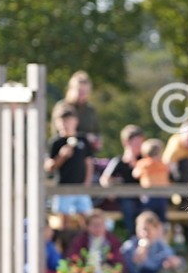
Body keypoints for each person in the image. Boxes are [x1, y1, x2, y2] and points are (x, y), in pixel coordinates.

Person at [46, 104, 95, 235]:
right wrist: (62, 156)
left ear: (75, 122)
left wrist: (87, 182)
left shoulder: (83, 140)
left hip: (81, 187)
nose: (65, 125)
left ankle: (86, 247)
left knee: (87, 220)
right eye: (62, 121)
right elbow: (50, 167)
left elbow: (89, 163)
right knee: (64, 222)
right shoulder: (56, 142)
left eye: (68, 121)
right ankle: (64, 247)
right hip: (63, 187)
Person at [99, 124, 146, 235]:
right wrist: (111, 189)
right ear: (126, 143)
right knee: (129, 206)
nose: (139, 147)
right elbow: (105, 179)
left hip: (142, 197)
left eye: (141, 143)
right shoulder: (119, 161)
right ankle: (133, 235)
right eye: (136, 143)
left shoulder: (144, 161)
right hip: (126, 198)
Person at [120, 211, 185, 273]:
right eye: (142, 229)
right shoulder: (130, 246)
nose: (145, 233)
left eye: (148, 230)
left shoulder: (159, 244)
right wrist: (138, 259)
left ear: (155, 230)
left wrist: (175, 262)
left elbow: (177, 262)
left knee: (171, 271)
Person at [52, 70, 102, 153]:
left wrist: (95, 140)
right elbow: (57, 133)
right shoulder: (63, 107)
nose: (82, 94)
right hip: (66, 152)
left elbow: (97, 132)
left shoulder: (90, 110)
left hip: (85, 153)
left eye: (85, 92)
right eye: (79, 91)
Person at [131, 138, 170, 222]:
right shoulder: (163, 164)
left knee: (147, 217)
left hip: (148, 196)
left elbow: (135, 174)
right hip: (162, 196)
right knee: (161, 219)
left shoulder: (143, 164)